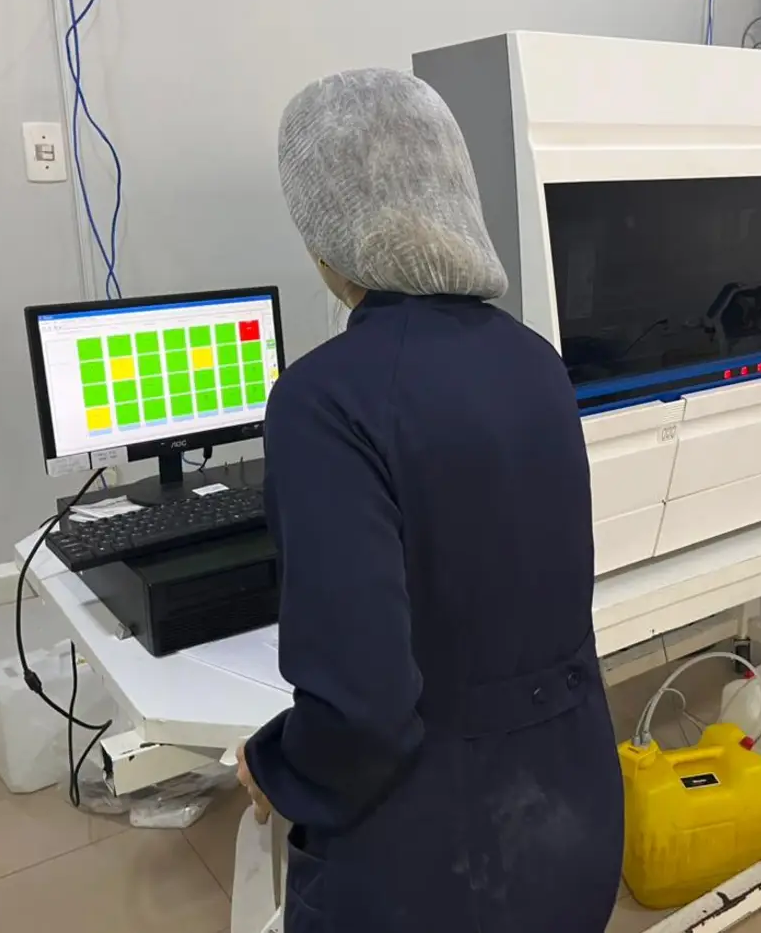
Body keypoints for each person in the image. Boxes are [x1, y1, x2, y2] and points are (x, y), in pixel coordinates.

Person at [236, 68, 624, 932]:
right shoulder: (536, 360)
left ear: (326, 232)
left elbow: (362, 712)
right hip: (576, 822)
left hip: (432, 868)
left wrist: (275, 765)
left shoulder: (323, 400)